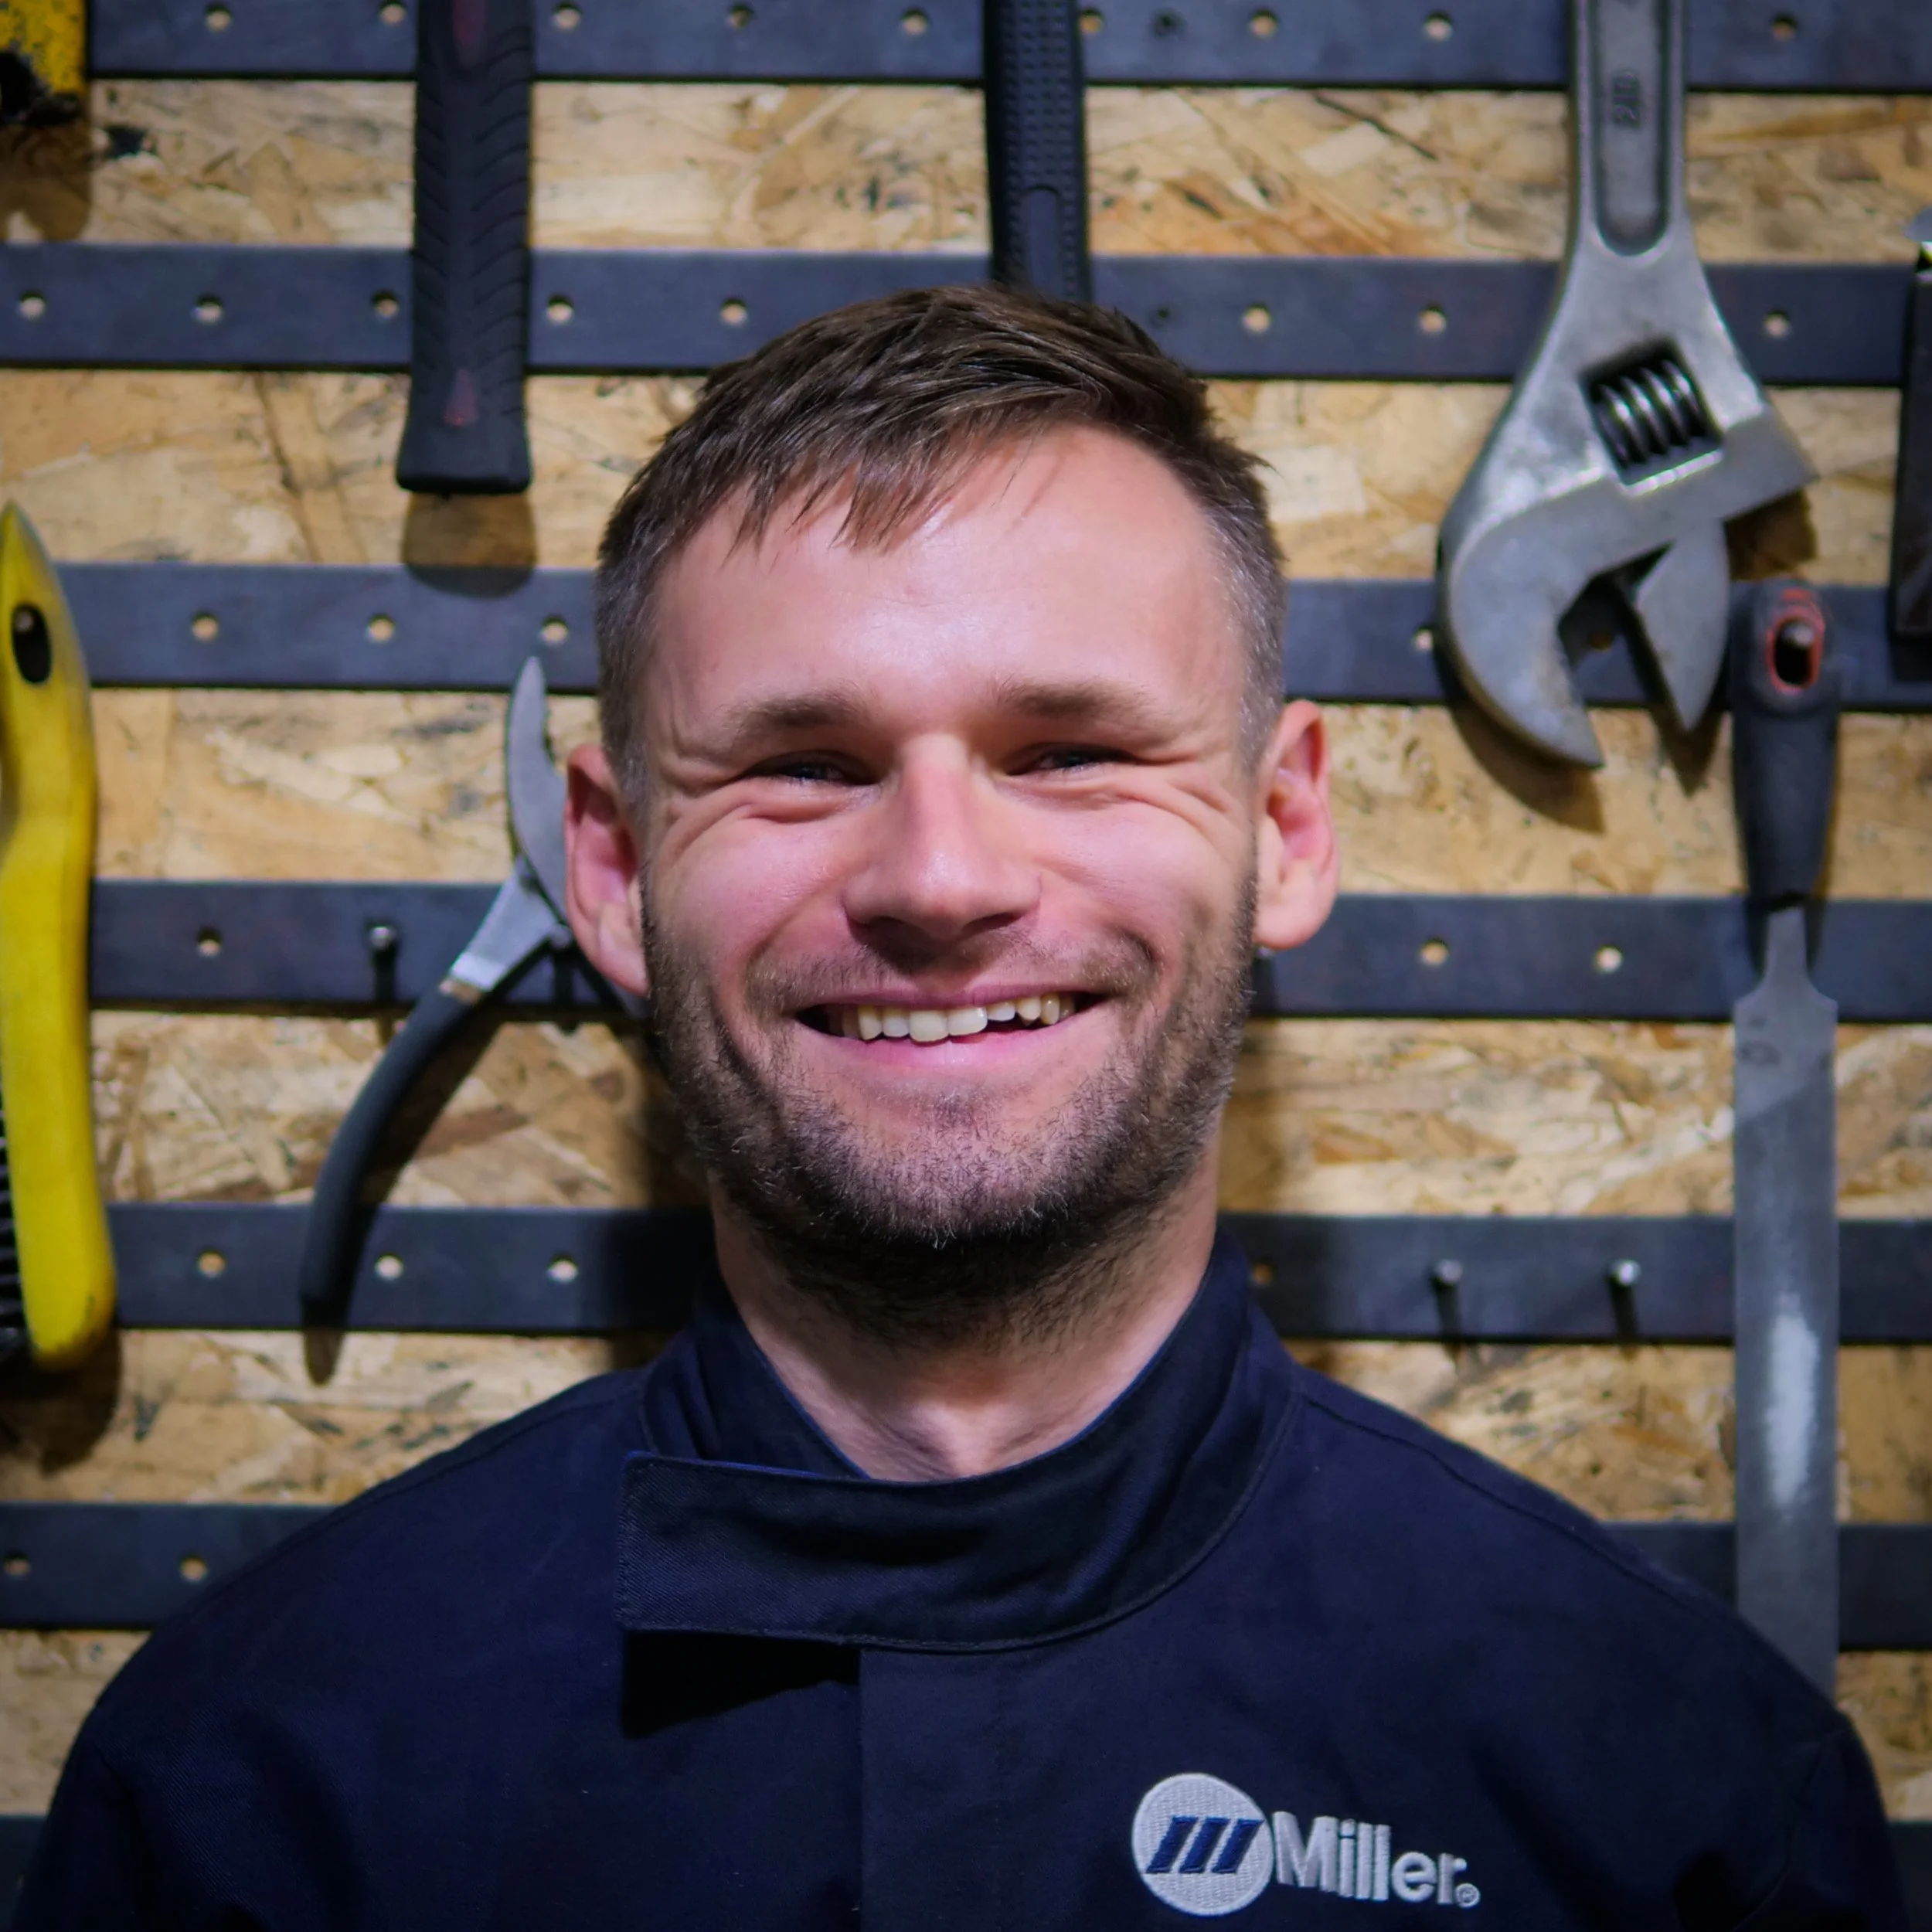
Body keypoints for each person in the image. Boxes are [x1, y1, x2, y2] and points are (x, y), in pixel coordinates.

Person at [17, 287, 1903, 1930]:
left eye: (1070, 750)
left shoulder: (1680, 1813)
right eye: (801, 763)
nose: (936, 875)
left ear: (1283, 824)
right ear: (606, 869)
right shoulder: (249, 1794)